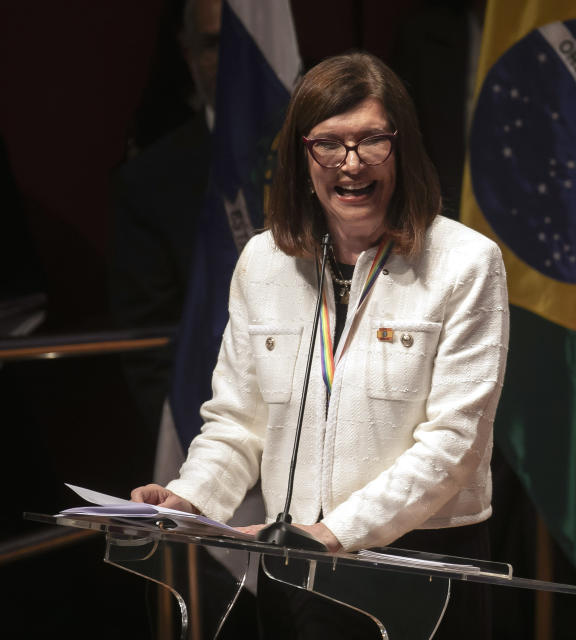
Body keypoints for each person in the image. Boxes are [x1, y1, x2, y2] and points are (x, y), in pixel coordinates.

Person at [131, 51, 509, 639]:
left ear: (401, 147)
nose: (350, 164)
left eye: (371, 141)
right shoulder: (262, 261)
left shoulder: (466, 263)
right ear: (303, 156)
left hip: (420, 567)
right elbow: (237, 423)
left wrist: (334, 533)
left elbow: (454, 445)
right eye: (329, 144)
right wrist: (188, 500)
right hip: (296, 565)